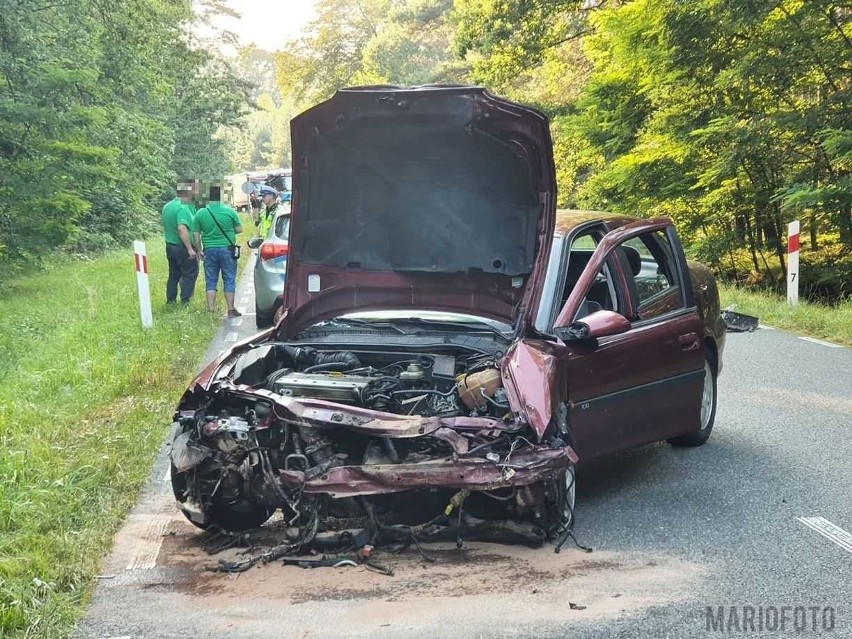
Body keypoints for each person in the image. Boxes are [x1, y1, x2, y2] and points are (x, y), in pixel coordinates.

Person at [191, 184, 244, 317]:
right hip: (227, 250)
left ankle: (211, 310)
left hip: (209, 251)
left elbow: (196, 234)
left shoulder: (201, 213)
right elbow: (239, 229)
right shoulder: (230, 211)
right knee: (229, 279)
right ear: (221, 197)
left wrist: (199, 250)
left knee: (211, 280)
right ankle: (231, 309)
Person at [162, 179, 199, 304]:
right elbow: (181, 228)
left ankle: (171, 300)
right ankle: (186, 300)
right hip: (182, 247)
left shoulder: (167, 206)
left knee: (174, 275)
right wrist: (190, 249)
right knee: (190, 274)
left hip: (170, 246)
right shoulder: (182, 207)